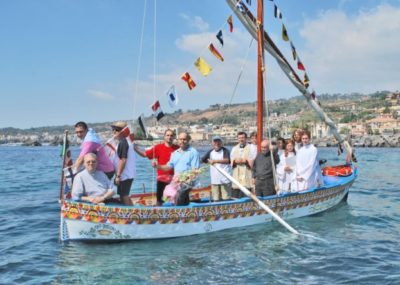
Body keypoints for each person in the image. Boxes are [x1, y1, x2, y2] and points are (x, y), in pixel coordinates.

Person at [134, 129, 179, 206]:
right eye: (167, 135)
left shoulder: (178, 149)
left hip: (175, 179)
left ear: (174, 137)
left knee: (174, 200)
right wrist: (135, 149)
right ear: (164, 137)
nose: (169, 137)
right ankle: (158, 214)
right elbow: (144, 154)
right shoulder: (158, 148)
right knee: (160, 200)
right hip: (161, 178)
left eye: (171, 135)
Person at [155, 131, 200, 206]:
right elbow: (168, 167)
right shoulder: (175, 153)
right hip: (176, 181)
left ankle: (178, 213)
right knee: (167, 196)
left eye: (184, 139)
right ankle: (186, 212)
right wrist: (157, 166)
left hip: (187, 182)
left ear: (188, 140)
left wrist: (185, 179)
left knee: (179, 196)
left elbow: (195, 171)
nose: (182, 141)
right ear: (178, 140)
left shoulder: (193, 152)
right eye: (180, 139)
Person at [112, 121, 136, 206]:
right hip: (128, 174)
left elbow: (123, 159)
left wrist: (118, 176)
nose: (114, 132)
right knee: (125, 195)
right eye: (113, 129)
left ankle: (130, 215)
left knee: (124, 195)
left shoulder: (123, 142)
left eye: (117, 130)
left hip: (125, 175)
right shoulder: (126, 141)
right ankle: (133, 211)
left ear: (123, 131)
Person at [201, 136, 231, 201]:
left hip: (225, 180)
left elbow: (227, 160)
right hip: (214, 180)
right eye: (215, 141)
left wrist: (215, 161)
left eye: (218, 141)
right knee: (216, 199)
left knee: (226, 198)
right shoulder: (210, 152)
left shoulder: (225, 151)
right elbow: (203, 160)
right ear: (212, 143)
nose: (216, 143)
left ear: (221, 142)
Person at [230, 131, 253, 198]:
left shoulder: (251, 147)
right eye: (239, 138)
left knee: (246, 191)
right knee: (236, 191)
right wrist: (235, 161)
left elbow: (252, 159)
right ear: (237, 139)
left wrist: (245, 161)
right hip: (237, 173)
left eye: (243, 137)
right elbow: (231, 160)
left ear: (246, 138)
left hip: (247, 172)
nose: (241, 139)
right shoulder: (234, 148)